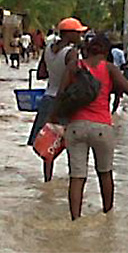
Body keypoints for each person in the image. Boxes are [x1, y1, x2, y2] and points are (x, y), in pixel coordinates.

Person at [52, 33, 128, 220]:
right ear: (107, 51)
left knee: (77, 178)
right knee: (105, 174)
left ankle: (75, 220)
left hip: (76, 127)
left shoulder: (74, 67)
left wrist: (53, 123)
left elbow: (60, 96)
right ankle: (108, 216)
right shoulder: (109, 69)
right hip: (102, 128)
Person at [28, 17, 86, 182]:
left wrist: (54, 70)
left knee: (48, 143)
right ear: (69, 34)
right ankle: (73, 178)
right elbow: (73, 78)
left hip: (47, 99)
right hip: (65, 101)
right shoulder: (71, 53)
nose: (80, 36)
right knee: (71, 141)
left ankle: (47, 179)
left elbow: (41, 73)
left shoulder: (48, 49)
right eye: (78, 33)